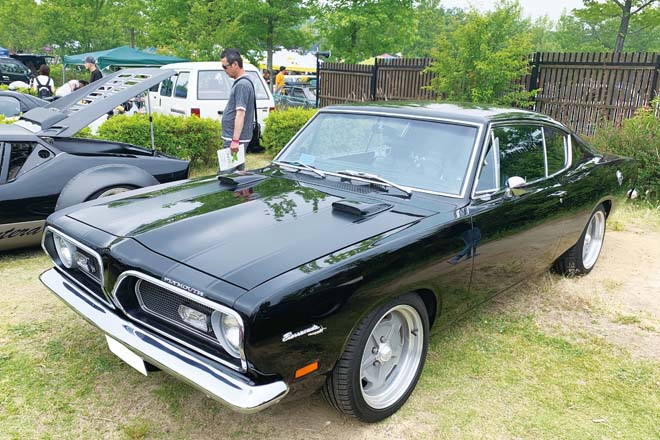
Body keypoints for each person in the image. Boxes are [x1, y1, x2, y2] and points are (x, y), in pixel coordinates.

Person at [220, 48, 256, 172]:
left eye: (225, 67)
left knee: (226, 175)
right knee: (238, 174)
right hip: (236, 139)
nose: (224, 70)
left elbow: (240, 113)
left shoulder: (242, 85)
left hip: (235, 139)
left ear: (235, 64)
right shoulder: (244, 82)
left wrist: (235, 140)